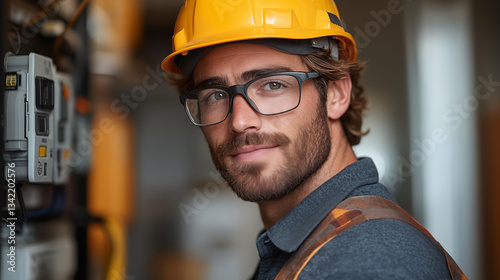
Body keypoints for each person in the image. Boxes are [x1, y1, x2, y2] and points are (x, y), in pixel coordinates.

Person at [161, 0, 467, 279]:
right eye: (215, 95)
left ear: (336, 93)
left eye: (272, 85)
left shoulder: (367, 262)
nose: (240, 121)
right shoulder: (312, 244)